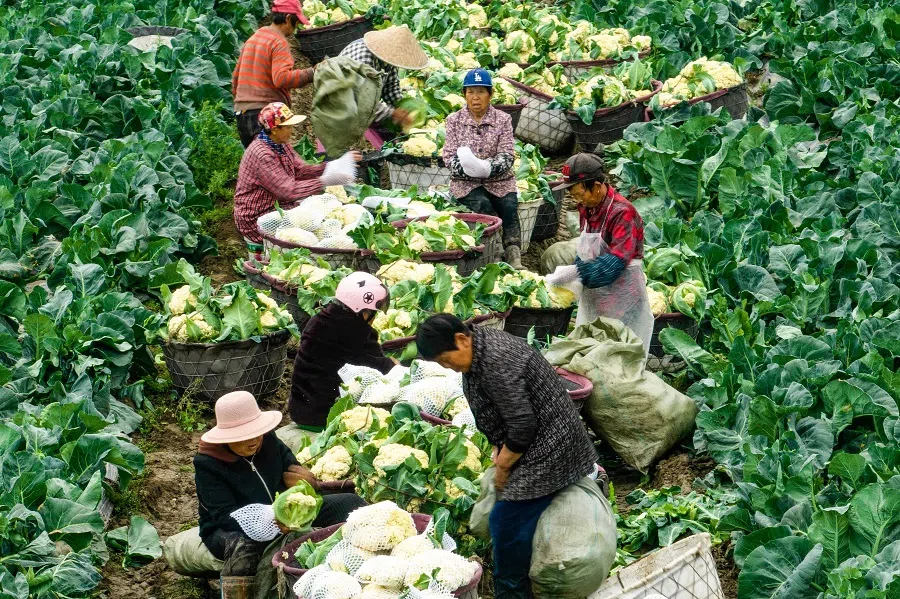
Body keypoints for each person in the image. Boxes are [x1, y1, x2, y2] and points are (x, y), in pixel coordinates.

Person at [415, 314, 598, 599]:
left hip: (551, 446)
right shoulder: (480, 347)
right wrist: (497, 446)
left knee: (506, 521)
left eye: (445, 360)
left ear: (461, 339)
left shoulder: (496, 361)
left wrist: (503, 467)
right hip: (535, 440)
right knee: (510, 514)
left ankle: (512, 591)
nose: (447, 368)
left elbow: (523, 425)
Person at [194, 391, 366, 596]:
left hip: (288, 512)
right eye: (244, 436)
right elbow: (224, 515)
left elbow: (289, 463)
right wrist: (270, 519)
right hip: (228, 528)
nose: (254, 441)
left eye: (257, 433)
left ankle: (362, 566)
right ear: (226, 438)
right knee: (243, 548)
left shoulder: (267, 439)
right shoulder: (208, 464)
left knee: (350, 503)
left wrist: (302, 480)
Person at [542, 153, 653, 353]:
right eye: (573, 195)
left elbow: (615, 263)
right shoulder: (588, 208)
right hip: (597, 297)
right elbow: (587, 250)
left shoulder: (622, 213)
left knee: (621, 352)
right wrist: (575, 276)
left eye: (579, 194)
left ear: (596, 185)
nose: (577, 200)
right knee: (593, 350)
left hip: (622, 297)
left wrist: (578, 272)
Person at [233, 102, 360, 256]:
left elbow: (300, 170)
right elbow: (288, 190)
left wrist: (334, 165)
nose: (292, 131)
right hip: (258, 217)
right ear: (274, 129)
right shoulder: (262, 154)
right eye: (288, 127)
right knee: (302, 239)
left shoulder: (280, 144)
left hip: (279, 207)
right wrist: (325, 180)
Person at [289, 272, 397, 430]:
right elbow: (379, 368)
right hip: (324, 417)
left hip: (300, 410)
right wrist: (393, 364)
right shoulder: (358, 332)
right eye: (374, 313)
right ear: (365, 313)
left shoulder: (317, 320)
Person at [442, 68, 522, 269]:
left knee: (509, 205)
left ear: (490, 94)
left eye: (480, 92)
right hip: (466, 183)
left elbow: (507, 153)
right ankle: (494, 253)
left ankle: (514, 253)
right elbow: (449, 156)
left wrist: (488, 168)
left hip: (499, 180)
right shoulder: (454, 120)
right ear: (464, 94)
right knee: (483, 207)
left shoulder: (502, 119)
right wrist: (468, 169)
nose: (475, 98)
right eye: (470, 92)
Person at [232, 0, 313, 147]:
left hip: (242, 114)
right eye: (296, 23)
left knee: (258, 164)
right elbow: (280, 78)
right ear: (288, 18)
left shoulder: (254, 38)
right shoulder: (278, 41)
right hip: (265, 115)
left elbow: (235, 79)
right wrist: (310, 73)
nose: (295, 29)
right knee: (274, 164)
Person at [338, 25, 428, 129]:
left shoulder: (389, 57)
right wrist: (392, 113)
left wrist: (401, 106)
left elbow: (391, 86)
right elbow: (362, 101)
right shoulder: (364, 60)